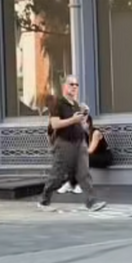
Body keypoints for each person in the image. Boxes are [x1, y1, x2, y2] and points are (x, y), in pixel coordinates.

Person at [37, 77, 106, 212]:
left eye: (76, 84)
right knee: (58, 175)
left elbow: (82, 125)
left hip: (79, 142)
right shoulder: (57, 103)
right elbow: (55, 124)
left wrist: (84, 116)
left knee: (84, 173)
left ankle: (92, 202)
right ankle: (45, 199)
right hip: (64, 143)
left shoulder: (75, 104)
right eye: (71, 84)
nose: (74, 87)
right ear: (64, 87)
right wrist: (73, 119)